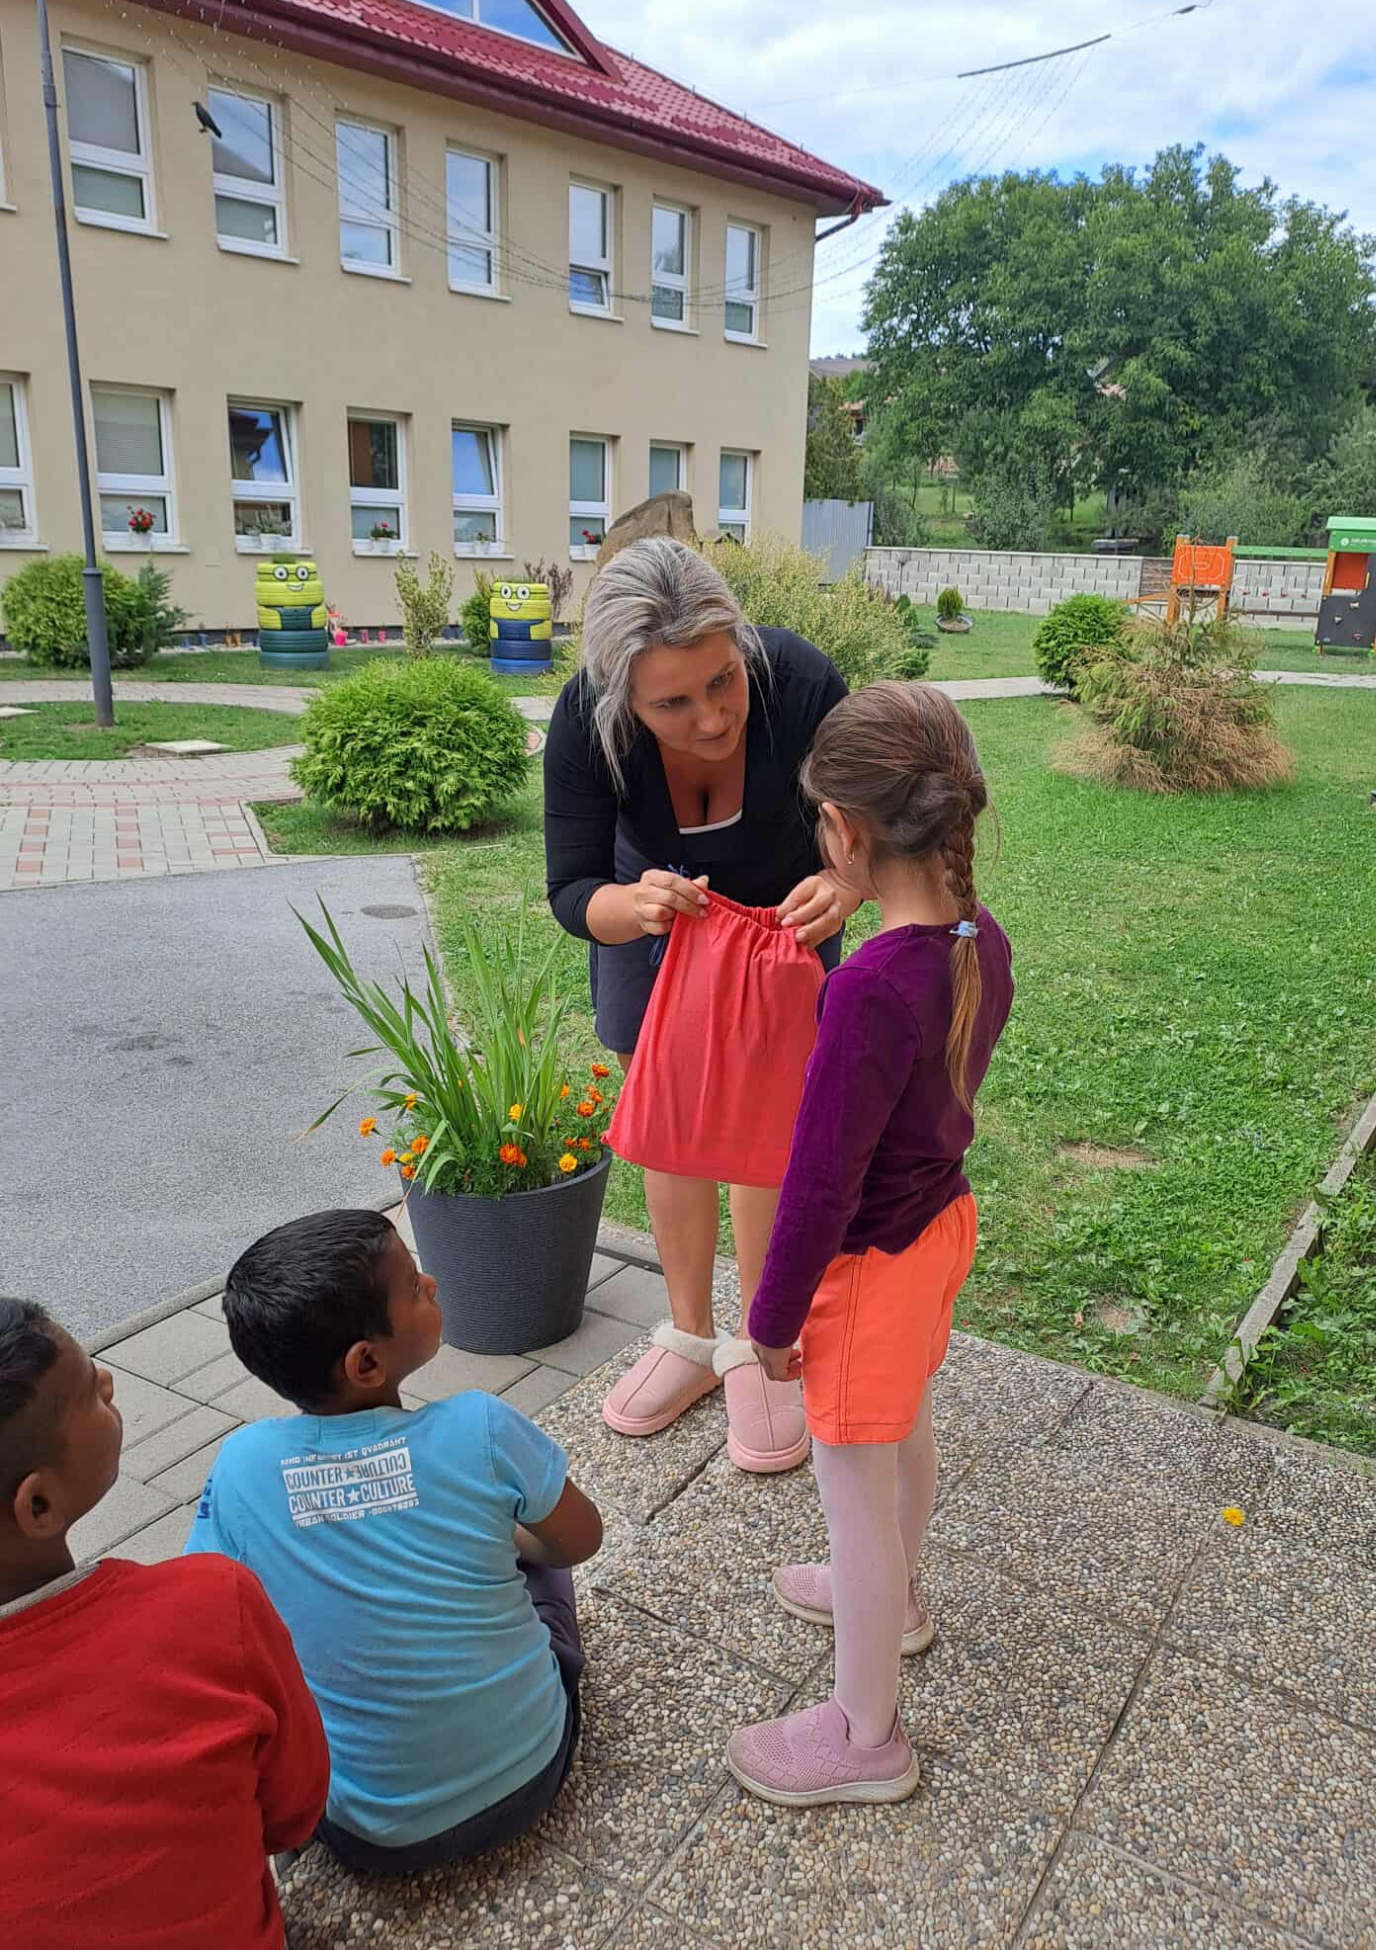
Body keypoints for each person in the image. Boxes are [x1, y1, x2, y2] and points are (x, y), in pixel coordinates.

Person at [724, 684, 1015, 1807]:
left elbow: (819, 1182)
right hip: (937, 1233)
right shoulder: (978, 936)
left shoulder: (866, 989)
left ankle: (864, 1732)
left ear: (844, 831)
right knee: (905, 1430)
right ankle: (893, 1602)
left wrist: (771, 1317)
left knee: (852, 1487)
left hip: (869, 1267)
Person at [545, 536, 861, 1472]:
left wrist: (845, 885)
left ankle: (764, 1344)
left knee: (768, 1128)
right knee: (674, 1121)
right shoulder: (585, 718)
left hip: (785, 922)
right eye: (672, 704)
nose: (712, 718)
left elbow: (871, 826)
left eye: (722, 681)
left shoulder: (802, 684)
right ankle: (688, 1336)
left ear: (741, 643)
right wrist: (634, 907)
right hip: (653, 916)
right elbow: (571, 891)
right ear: (623, 697)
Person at [185, 1209, 604, 1873]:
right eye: (412, 1285)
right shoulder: (480, 1426)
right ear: (367, 1362)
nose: (431, 1282)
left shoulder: (241, 1466)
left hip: (370, 1836)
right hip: (533, 1772)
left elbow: (212, 1618)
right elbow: (582, 1539)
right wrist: (497, 1537)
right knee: (541, 1559)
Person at [0, 1297, 327, 1948]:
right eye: (88, 1392)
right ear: (38, 1505)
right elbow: (294, 1813)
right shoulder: (211, 1605)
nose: (109, 1381)